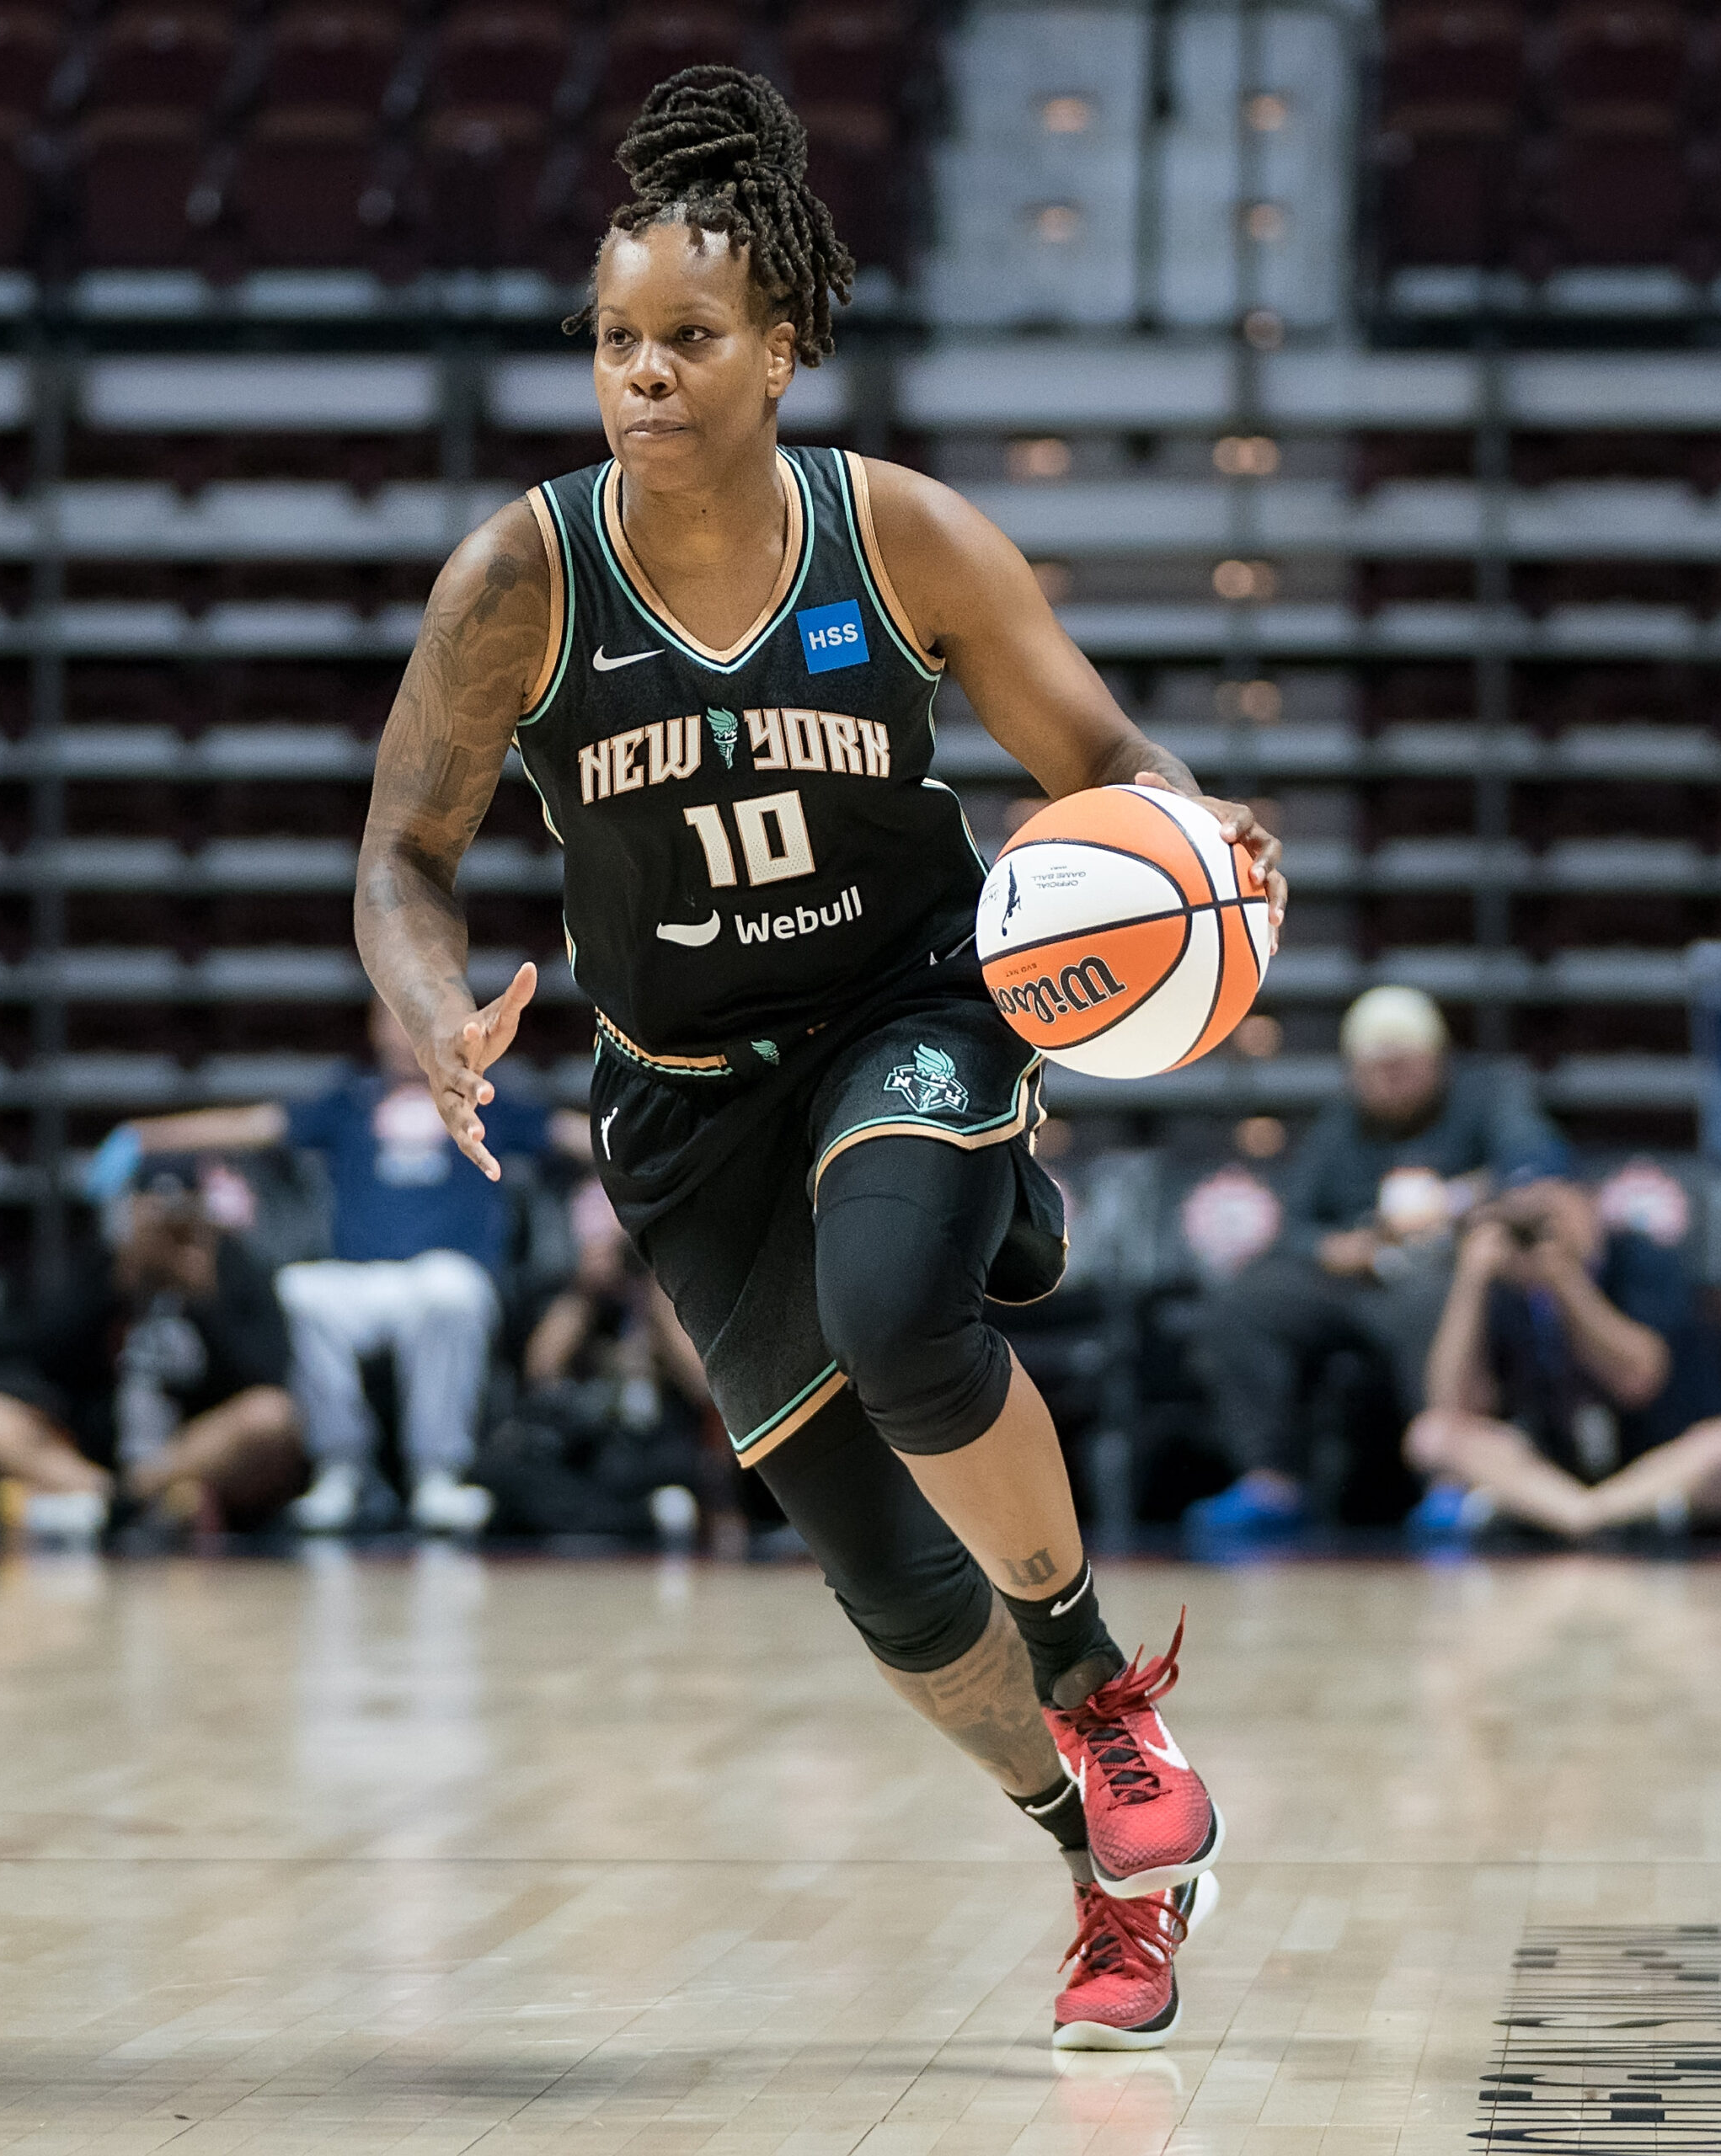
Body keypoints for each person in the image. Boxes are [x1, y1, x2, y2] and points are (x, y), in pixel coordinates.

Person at [350, 67, 1287, 2050]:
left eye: (689, 337)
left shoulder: (900, 537)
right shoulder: (518, 578)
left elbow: (1104, 759)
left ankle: (1099, 1684)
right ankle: (1102, 1867)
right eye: (616, 339)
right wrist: (429, 1007)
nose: (644, 373)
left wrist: (1193, 839)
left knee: (891, 1309)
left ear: (779, 348)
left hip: (905, 1007)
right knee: (889, 1584)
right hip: (684, 1104)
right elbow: (401, 856)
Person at [89, 997, 586, 1534]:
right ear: (375, 1030)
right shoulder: (349, 1101)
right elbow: (251, 1124)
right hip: (361, 1279)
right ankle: (343, 1468)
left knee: (449, 1292)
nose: (407, 1036)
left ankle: (439, 1472)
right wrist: (142, 1135)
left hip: (451, 1274)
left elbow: (571, 1134)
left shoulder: (484, 1097)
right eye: (395, 1020)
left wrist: (646, 1155)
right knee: (301, 1291)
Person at [1187, 984, 1569, 1540]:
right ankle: (1269, 1480)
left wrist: (1454, 1205)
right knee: (1247, 1302)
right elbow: (1295, 1225)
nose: (1390, 1080)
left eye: (1403, 1065)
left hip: (1452, 1269)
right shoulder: (1342, 1124)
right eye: (1374, 1069)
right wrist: (1337, 1250)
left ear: (1437, 1058)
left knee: (1438, 1304)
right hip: (1363, 1276)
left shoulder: (1487, 1098)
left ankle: (1453, 1479)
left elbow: (1539, 1171)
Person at [1404, 1178, 1721, 1541]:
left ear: (1589, 1202)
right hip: (1543, 1471)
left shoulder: (1640, 1258)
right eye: (1526, 1221)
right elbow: (1450, 1403)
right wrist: (1470, 1281)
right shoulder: (1503, 1279)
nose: (1540, 1234)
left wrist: (1567, 1282)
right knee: (1431, 1436)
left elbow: (1639, 1379)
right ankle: (1586, 1516)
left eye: (1551, 1214)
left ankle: (1585, 1516)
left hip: (1649, 1461)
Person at [0, 1174, 305, 1542]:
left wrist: (205, 1300)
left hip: (192, 1455)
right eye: (155, 1208)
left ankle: (112, 1504)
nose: (166, 1225)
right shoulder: (104, 1261)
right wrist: (118, 1283)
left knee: (271, 1416)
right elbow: (46, 1358)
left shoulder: (232, 1265)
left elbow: (266, 1376)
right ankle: (128, 1503)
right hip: (92, 1459)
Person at [479, 1177, 716, 1542]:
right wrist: (586, 1291)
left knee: (680, 1468)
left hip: (651, 1440)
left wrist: (656, 1288)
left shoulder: (670, 1296)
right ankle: (638, 1516)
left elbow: (701, 1386)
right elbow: (541, 1371)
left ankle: (603, 1516)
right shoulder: (582, 1297)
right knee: (510, 1469)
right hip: (587, 1440)